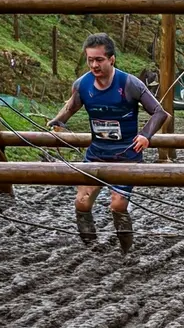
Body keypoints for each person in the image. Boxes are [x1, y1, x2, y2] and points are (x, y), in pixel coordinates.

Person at [48, 33, 168, 252]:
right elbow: (71, 107)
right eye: (90, 60)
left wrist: (145, 135)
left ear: (111, 59)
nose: (94, 65)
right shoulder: (82, 84)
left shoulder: (130, 83)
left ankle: (126, 251)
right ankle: (91, 248)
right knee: (81, 202)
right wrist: (56, 122)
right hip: (97, 153)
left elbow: (160, 113)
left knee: (118, 205)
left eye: (99, 60)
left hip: (126, 155)